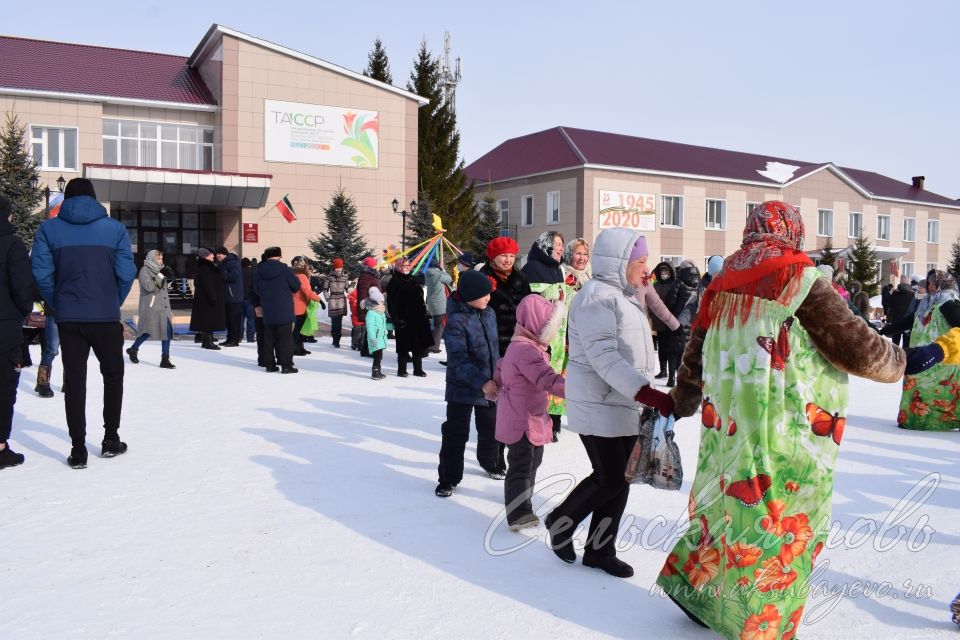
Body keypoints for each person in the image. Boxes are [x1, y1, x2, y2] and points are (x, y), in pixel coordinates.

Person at [657, 201, 905, 637]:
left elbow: (693, 358)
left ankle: (697, 595)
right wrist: (902, 360)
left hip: (727, 431)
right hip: (783, 429)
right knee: (776, 521)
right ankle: (758, 624)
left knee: (723, 512)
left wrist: (682, 402)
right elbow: (859, 350)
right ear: (794, 231)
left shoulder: (721, 284)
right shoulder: (801, 279)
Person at [545, 228, 672, 578]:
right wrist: (647, 392)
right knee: (610, 477)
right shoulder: (596, 297)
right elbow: (604, 358)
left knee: (621, 478)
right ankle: (560, 521)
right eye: (641, 261)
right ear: (620, 261)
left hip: (622, 402)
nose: (646, 269)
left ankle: (601, 550)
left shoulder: (624, 295)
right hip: (598, 402)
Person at [30, 177, 136, 469]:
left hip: (69, 317)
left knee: (74, 381)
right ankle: (111, 438)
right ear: (93, 198)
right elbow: (126, 272)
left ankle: (78, 449)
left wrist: (60, 301)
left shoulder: (49, 229)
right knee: (113, 375)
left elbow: (40, 272)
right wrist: (111, 301)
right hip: (104, 316)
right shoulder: (114, 229)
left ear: (66, 198)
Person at [492, 294, 565, 530]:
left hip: (530, 416)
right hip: (521, 419)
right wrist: (579, 389)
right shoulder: (527, 351)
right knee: (521, 463)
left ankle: (524, 502)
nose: (553, 333)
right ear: (537, 326)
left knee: (534, 461)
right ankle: (519, 512)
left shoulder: (522, 345)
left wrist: (494, 383)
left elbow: (501, 366)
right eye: (550, 327)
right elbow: (547, 379)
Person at [435, 270, 501, 496]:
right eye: (483, 294)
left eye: (489, 294)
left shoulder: (489, 314)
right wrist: (481, 381)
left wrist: (498, 374)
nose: (488, 298)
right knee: (456, 433)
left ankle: (490, 462)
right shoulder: (455, 321)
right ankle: (448, 478)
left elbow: (495, 349)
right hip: (461, 387)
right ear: (470, 295)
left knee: (491, 429)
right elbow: (458, 359)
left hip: (490, 385)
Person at [882, 269, 960, 431]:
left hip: (940, 361)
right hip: (921, 354)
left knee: (936, 392)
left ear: (942, 283)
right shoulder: (928, 302)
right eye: (929, 282)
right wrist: (886, 330)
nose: (930, 285)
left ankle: (939, 421)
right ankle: (912, 420)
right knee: (916, 387)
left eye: (933, 282)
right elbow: (909, 321)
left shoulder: (949, 303)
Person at [0, 194, 34, 469]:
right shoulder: (13, 245)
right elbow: (23, 289)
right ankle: (0, 447)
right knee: (3, 388)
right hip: (5, 329)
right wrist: (23, 310)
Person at [479, 237, 532, 358]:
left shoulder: (521, 279)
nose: (508, 260)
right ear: (493, 257)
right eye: (503, 255)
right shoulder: (482, 277)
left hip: (517, 341)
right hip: (490, 341)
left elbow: (528, 308)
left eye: (512, 256)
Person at [254, 247, 301, 374]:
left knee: (269, 338)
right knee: (285, 339)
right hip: (284, 308)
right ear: (279, 256)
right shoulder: (285, 269)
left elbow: (257, 290)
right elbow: (296, 286)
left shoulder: (259, 271)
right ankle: (286, 365)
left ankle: (270, 365)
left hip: (268, 309)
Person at [126, 249, 176, 369]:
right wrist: (161, 275)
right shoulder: (145, 270)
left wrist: (171, 285)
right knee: (148, 332)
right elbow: (149, 287)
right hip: (151, 307)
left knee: (167, 332)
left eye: (161, 258)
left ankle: (165, 359)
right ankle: (133, 349)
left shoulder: (160, 270)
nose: (160, 260)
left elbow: (162, 289)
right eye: (158, 258)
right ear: (152, 258)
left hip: (164, 307)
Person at [386, 258, 433, 377]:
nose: (407, 267)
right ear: (398, 267)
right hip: (403, 319)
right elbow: (391, 303)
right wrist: (396, 319)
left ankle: (418, 369)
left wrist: (424, 312)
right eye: (404, 265)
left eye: (408, 265)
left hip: (417, 318)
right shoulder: (394, 281)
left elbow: (420, 298)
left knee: (418, 345)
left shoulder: (412, 279)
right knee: (403, 346)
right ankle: (401, 370)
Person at [660, 259, 701, 387]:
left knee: (673, 352)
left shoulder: (678, 282)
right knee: (687, 353)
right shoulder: (699, 282)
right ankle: (684, 380)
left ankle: (672, 378)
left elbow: (670, 302)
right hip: (693, 322)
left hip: (677, 322)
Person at [190, 248, 226, 350]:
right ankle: (208, 342)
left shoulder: (203, 266)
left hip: (205, 298)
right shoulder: (206, 267)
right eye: (211, 254)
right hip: (208, 298)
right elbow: (207, 284)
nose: (213, 256)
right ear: (206, 256)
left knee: (207, 320)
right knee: (209, 321)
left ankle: (206, 341)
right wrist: (213, 297)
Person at [290, 256, 321, 356]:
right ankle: (296, 349)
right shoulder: (302, 276)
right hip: (301, 306)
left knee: (298, 329)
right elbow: (307, 291)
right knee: (298, 330)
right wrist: (317, 298)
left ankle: (300, 347)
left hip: (295, 305)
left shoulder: (293, 275)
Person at [651, 261, 677, 371]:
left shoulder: (675, 284)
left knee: (670, 348)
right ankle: (662, 370)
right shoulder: (655, 285)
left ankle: (672, 372)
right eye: (662, 270)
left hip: (671, 321)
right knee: (661, 347)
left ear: (671, 271)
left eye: (666, 270)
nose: (664, 273)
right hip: (659, 322)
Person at [215, 247, 243, 347]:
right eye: (217, 254)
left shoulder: (233, 263)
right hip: (226, 297)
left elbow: (235, 276)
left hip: (233, 297)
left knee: (234, 319)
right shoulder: (222, 264)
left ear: (225, 254)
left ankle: (235, 340)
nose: (217, 256)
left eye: (219, 254)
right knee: (228, 319)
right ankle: (230, 338)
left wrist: (221, 274)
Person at [424, 263, 453, 354]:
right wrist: (443, 271)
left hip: (432, 303)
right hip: (439, 304)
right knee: (439, 326)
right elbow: (449, 279)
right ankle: (434, 347)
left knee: (436, 324)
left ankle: (431, 345)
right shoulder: (438, 274)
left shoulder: (427, 274)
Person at [323, 258, 350, 348]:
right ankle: (334, 339)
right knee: (334, 322)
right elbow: (325, 289)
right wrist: (327, 299)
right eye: (337, 267)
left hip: (341, 300)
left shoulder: (345, 277)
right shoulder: (329, 277)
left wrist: (352, 287)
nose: (339, 269)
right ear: (334, 267)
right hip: (333, 300)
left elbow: (347, 288)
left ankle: (337, 340)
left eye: (340, 267)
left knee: (339, 322)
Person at [365, 287, 388, 380]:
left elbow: (382, 325)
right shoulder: (371, 313)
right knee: (377, 356)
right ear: (375, 302)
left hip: (381, 338)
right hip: (375, 339)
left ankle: (378, 370)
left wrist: (385, 331)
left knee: (379, 356)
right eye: (380, 302)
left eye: (382, 302)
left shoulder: (380, 312)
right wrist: (372, 339)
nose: (382, 303)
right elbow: (370, 328)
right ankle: (375, 372)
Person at [886, 275, 915, 347]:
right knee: (906, 344)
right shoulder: (913, 294)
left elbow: (890, 308)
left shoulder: (895, 293)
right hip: (907, 322)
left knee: (895, 344)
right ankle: (905, 357)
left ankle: (895, 357)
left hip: (895, 321)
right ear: (909, 284)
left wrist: (888, 320)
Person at [355, 256, 380, 324]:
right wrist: (363, 302)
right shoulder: (366, 276)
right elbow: (363, 290)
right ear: (371, 266)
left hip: (373, 305)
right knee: (369, 327)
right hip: (368, 307)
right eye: (375, 265)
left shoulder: (372, 275)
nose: (377, 266)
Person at [241, 257, 257, 343]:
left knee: (240, 319)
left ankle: (239, 336)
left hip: (240, 298)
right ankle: (250, 337)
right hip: (250, 299)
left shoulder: (239, 272)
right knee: (251, 320)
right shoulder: (252, 273)